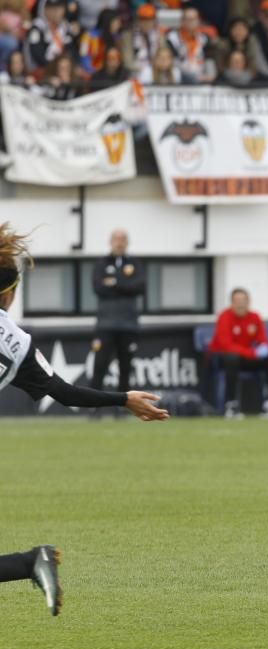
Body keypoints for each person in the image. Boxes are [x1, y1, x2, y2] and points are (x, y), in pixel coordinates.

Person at [0, 223, 168, 617]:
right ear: (10, 291)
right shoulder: (16, 342)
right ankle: (31, 562)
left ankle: (31, 562)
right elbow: (66, 392)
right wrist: (123, 398)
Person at [89, 229, 145, 411]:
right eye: (116, 239)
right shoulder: (101, 263)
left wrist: (113, 282)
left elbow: (138, 286)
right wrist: (123, 284)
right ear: (110, 241)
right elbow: (99, 288)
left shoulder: (135, 264)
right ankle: (93, 406)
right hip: (105, 325)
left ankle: (124, 407)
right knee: (100, 366)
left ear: (127, 243)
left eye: (122, 240)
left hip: (128, 326)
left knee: (126, 369)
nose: (119, 243)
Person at [207, 288, 268, 419]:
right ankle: (231, 405)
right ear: (231, 303)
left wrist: (264, 347)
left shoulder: (255, 317)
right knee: (232, 359)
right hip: (224, 357)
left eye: (243, 301)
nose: (240, 304)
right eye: (237, 301)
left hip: (245, 357)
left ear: (248, 302)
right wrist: (252, 353)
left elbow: (263, 339)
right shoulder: (224, 317)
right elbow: (226, 345)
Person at [165, 5, 217, 84]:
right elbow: (172, 61)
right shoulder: (172, 38)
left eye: (193, 19)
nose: (190, 22)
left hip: (200, 77)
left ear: (198, 21)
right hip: (179, 77)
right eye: (187, 19)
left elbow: (208, 60)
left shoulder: (204, 39)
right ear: (182, 21)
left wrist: (209, 75)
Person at [25, 0, 76, 73]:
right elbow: (37, 54)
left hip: (62, 69)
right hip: (41, 70)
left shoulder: (65, 27)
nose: (57, 12)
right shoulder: (37, 28)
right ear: (45, 10)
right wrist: (53, 68)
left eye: (60, 9)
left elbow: (71, 49)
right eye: (53, 9)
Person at [122, 2, 165, 78]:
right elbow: (127, 62)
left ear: (154, 21)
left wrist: (155, 68)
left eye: (149, 20)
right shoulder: (129, 36)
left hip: (156, 73)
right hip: (136, 74)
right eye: (143, 20)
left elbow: (164, 57)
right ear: (138, 20)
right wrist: (146, 70)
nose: (146, 23)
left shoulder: (159, 36)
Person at [78, 7, 121, 75]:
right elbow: (84, 57)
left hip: (112, 75)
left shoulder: (116, 38)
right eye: (116, 22)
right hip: (94, 77)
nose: (119, 25)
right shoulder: (88, 37)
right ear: (108, 22)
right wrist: (94, 73)